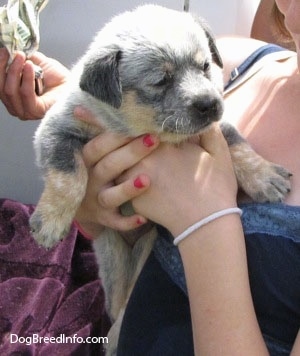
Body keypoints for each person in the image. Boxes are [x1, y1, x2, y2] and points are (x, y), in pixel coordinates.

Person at [0, 1, 299, 355]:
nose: (203, 91)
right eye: (162, 80)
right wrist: (92, 192)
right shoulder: (237, 62)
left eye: (205, 69)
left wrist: (204, 220)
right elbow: (98, 217)